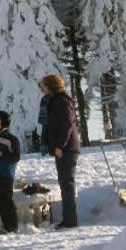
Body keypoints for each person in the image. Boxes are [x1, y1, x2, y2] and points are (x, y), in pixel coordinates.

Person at [41, 74, 81, 229]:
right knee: (65, 184)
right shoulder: (56, 100)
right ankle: (68, 219)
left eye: (44, 85)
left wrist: (59, 146)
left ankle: (70, 220)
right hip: (64, 148)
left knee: (67, 184)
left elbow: (67, 125)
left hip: (66, 149)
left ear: (50, 85)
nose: (42, 88)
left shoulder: (62, 101)